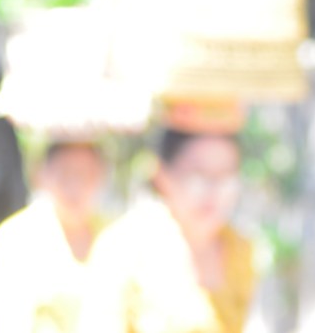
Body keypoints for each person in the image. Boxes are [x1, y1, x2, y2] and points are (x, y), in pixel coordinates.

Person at [79, 128, 258, 333]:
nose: (214, 190)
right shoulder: (123, 247)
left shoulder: (241, 249)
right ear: (162, 175)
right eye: (199, 174)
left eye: (225, 174)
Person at [0, 141, 108, 333]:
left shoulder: (114, 234)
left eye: (84, 175)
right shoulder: (16, 238)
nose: (75, 186)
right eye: (65, 175)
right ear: (42, 175)